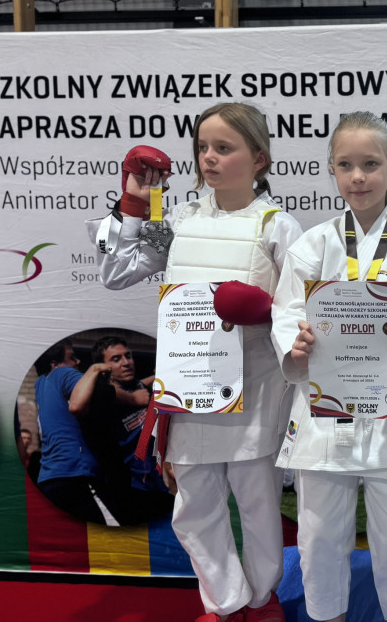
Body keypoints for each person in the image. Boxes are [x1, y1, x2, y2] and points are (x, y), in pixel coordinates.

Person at [88, 102, 302, 622]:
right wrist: (132, 204)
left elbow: (301, 313)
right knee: (193, 506)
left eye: (223, 148)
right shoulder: (178, 219)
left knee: (257, 505)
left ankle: (262, 600)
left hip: (254, 390)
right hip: (188, 388)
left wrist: (266, 312)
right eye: (202, 147)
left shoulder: (277, 226)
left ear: (259, 158)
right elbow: (115, 273)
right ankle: (225, 603)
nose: (208, 157)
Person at [270, 111, 387, 622]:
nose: (358, 177)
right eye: (346, 165)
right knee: (318, 535)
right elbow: (286, 309)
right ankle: (327, 616)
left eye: (371, 164)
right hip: (323, 409)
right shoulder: (313, 244)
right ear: (332, 170)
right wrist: (295, 344)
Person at [69, 335, 174, 524]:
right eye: (116, 359)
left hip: (157, 486)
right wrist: (94, 370)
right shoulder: (100, 399)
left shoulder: (139, 388)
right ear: (104, 367)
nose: (126, 363)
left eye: (128, 356)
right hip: (127, 491)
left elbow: (143, 384)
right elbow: (79, 404)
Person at [33, 340, 124, 524]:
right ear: (54, 364)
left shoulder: (40, 384)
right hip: (75, 473)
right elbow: (91, 396)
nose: (78, 362)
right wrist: (134, 397)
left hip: (49, 477)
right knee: (115, 531)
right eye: (72, 357)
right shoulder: (63, 372)